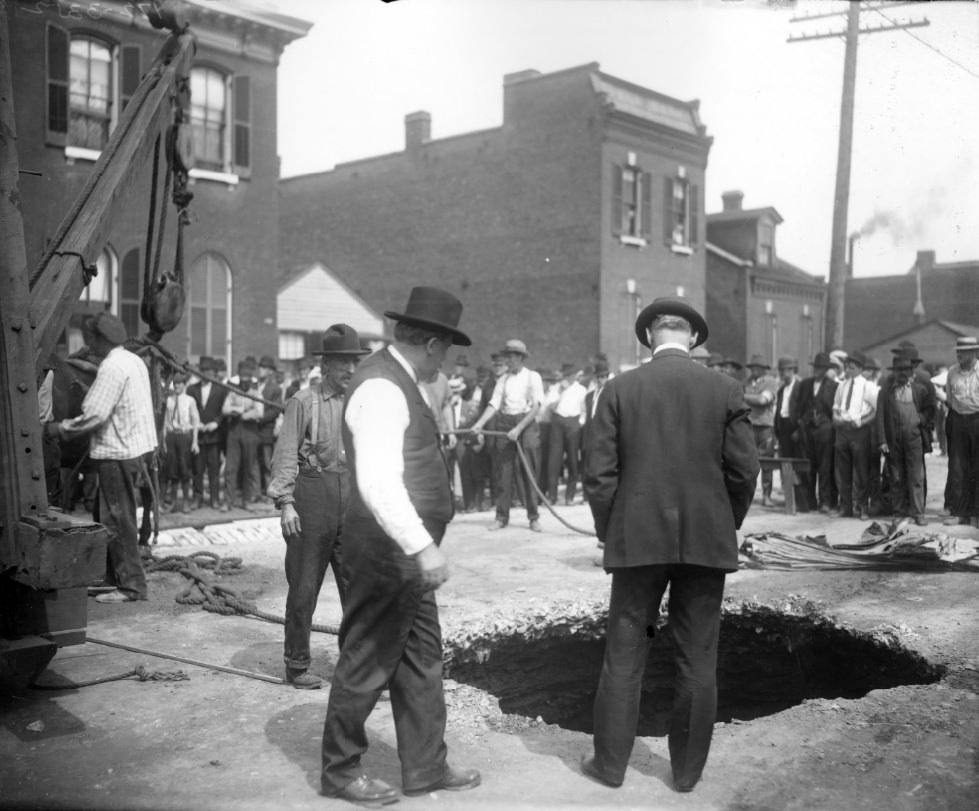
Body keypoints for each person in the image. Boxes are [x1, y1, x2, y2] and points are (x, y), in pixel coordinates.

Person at [581, 296, 758, 794]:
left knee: (624, 654)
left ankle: (610, 767)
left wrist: (608, 529)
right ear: (693, 340)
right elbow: (745, 472)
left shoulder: (617, 389)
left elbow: (598, 477)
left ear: (649, 339)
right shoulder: (725, 388)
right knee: (698, 659)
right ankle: (686, 774)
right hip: (706, 539)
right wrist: (725, 522)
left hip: (636, 538)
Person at [320, 286, 480, 806]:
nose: (447, 360)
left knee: (421, 660)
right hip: (388, 551)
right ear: (432, 344)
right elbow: (379, 484)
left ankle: (426, 767)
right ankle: (340, 772)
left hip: (406, 554)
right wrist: (422, 547)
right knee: (368, 657)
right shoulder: (384, 388)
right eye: (448, 349)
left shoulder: (400, 380)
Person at [268, 325, 370, 690]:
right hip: (311, 501)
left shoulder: (359, 403)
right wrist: (286, 504)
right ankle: (297, 665)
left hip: (351, 502)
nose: (349, 370)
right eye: (342, 363)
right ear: (326, 364)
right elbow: (284, 458)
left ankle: (361, 667)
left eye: (353, 363)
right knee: (304, 588)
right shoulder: (303, 402)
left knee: (358, 589)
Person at [48, 313, 158, 604]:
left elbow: (95, 415)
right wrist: (89, 391)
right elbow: (119, 401)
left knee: (117, 520)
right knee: (108, 516)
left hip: (115, 452)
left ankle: (132, 586)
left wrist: (59, 428)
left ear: (100, 340)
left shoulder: (110, 367)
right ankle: (113, 577)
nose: (88, 345)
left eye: (90, 339)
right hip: (133, 449)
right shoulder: (133, 361)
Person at [471, 339, 545, 532]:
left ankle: (533, 517)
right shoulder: (502, 380)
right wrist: (479, 424)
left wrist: (519, 428)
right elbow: (494, 404)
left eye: (511, 357)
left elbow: (537, 406)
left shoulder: (532, 377)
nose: (508, 361)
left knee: (528, 472)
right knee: (502, 473)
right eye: (507, 357)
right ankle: (501, 517)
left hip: (526, 425)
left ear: (520, 357)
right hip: (505, 425)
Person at [875, 354, 936, 525]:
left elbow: (930, 410)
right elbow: (879, 417)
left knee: (916, 477)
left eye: (905, 370)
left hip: (914, 439)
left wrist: (920, 419)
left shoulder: (919, 390)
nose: (902, 373)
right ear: (893, 372)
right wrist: (882, 440)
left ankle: (918, 513)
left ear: (910, 372)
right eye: (898, 370)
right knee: (897, 477)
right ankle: (899, 512)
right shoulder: (886, 392)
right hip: (894, 440)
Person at [832, 350, 879, 520]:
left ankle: (862, 507)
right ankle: (845, 507)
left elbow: (876, 410)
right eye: (847, 367)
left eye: (851, 368)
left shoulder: (868, 387)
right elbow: (836, 407)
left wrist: (862, 421)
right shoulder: (842, 385)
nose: (848, 371)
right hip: (843, 431)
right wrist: (837, 418)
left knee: (861, 471)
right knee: (842, 472)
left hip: (860, 432)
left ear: (860, 368)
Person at [943, 336, 979, 527]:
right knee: (958, 469)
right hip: (958, 420)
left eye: (963, 352)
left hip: (977, 420)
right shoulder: (951, 373)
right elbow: (949, 399)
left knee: (977, 468)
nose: (959, 355)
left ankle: (976, 515)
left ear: (974, 352)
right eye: (957, 351)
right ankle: (959, 513)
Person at [223, 359, 264, 510]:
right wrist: (240, 410)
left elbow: (259, 412)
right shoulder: (233, 392)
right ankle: (228, 501)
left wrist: (244, 413)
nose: (244, 383)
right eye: (242, 380)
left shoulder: (256, 393)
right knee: (231, 468)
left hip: (250, 432)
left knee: (248, 467)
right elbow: (225, 409)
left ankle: (246, 500)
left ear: (251, 380)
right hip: (234, 431)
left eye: (247, 380)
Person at [187, 356, 228, 510]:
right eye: (203, 371)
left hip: (214, 437)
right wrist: (197, 424)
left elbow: (223, 411)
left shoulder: (221, 389)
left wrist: (216, 423)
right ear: (200, 372)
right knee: (197, 470)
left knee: (214, 470)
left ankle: (214, 499)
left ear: (213, 373)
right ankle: (197, 499)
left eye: (209, 372)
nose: (206, 374)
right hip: (198, 437)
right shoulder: (192, 389)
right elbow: (189, 411)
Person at [546, 363, 587, 505]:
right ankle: (552, 496)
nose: (568, 378)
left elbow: (584, 411)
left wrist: (579, 423)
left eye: (570, 375)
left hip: (573, 423)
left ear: (575, 375)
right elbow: (550, 408)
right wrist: (559, 392)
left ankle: (569, 496)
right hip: (557, 422)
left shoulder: (581, 390)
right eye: (566, 375)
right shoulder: (556, 389)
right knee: (554, 460)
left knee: (573, 460)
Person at [773, 356, 810, 512]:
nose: (784, 373)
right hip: (783, 429)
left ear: (794, 371)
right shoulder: (781, 390)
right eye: (782, 370)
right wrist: (777, 431)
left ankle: (804, 500)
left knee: (798, 463)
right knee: (786, 464)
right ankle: (790, 500)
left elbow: (805, 410)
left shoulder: (800, 387)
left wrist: (799, 429)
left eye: (787, 370)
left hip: (796, 430)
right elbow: (780, 411)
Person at [743, 354, 779, 507]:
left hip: (765, 427)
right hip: (749, 425)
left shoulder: (770, 382)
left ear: (764, 369)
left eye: (758, 367)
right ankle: (748, 495)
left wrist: (745, 397)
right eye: (753, 367)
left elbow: (763, 400)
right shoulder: (745, 382)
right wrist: (752, 398)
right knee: (748, 462)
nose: (755, 370)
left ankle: (766, 495)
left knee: (767, 462)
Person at [161, 371, 200, 513]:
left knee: (184, 469)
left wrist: (195, 442)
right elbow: (165, 422)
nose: (177, 386)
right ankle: (172, 502)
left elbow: (195, 421)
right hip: (171, 437)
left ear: (184, 385)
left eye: (179, 383)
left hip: (185, 437)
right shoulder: (169, 400)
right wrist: (164, 441)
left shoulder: (190, 400)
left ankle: (185, 502)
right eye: (175, 383)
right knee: (171, 470)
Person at [257, 355, 283, 501]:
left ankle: (269, 493)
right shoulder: (254, 385)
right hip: (252, 431)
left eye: (264, 368)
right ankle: (256, 492)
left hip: (266, 431)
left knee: (267, 463)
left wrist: (260, 417)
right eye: (260, 367)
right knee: (254, 463)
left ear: (270, 371)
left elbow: (275, 410)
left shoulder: (275, 389)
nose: (261, 370)